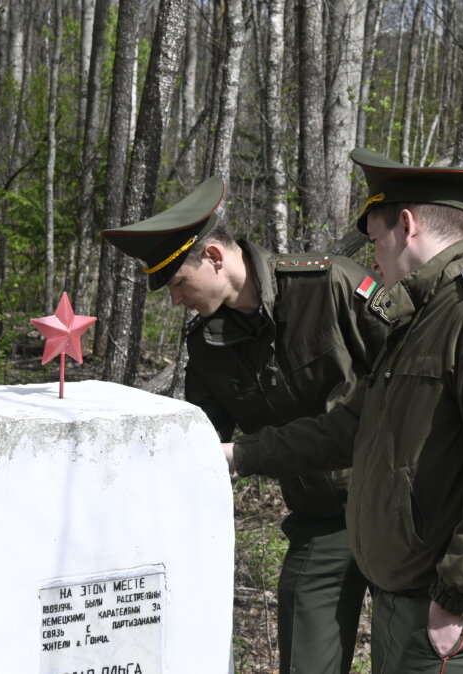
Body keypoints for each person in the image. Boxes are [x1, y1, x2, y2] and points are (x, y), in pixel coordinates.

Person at [226, 149, 463, 673]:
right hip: (411, 590)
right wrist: (240, 454)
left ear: (407, 224)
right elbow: (350, 429)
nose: (373, 257)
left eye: (376, 240)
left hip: (451, 602)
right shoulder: (420, 318)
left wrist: (458, 589)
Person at [102, 177, 388, 673]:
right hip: (320, 521)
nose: (174, 302)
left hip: (393, 509)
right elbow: (201, 447)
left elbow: (410, 382)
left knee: (408, 657)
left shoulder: (329, 286)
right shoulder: (206, 343)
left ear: (214, 257)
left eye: (177, 284)